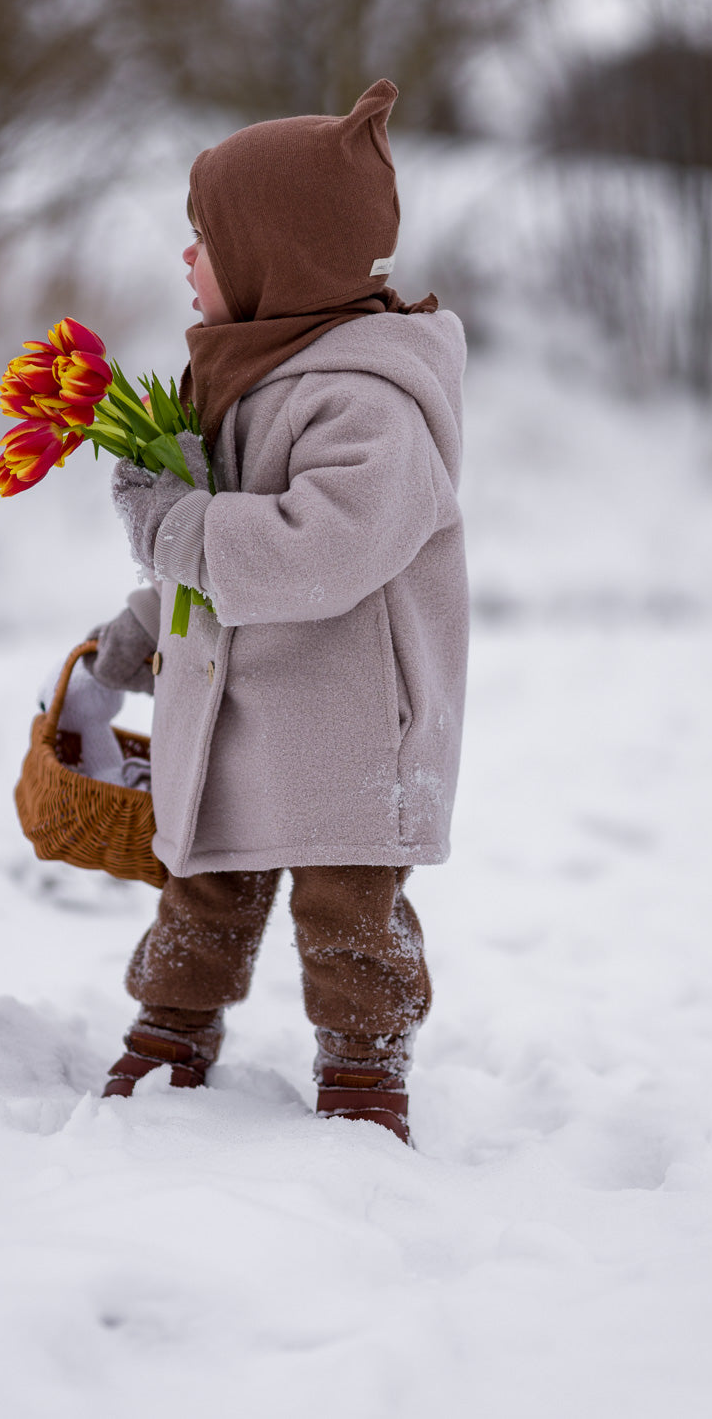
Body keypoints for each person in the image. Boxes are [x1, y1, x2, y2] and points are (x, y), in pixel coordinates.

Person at [88, 80, 468, 1145]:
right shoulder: (246, 382)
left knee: (351, 912)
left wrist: (170, 523)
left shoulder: (367, 400)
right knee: (204, 884)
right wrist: (130, 639)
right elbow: (211, 567)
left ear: (276, 252)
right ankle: (172, 1029)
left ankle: (364, 1065)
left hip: (350, 725)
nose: (186, 258)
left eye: (203, 237)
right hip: (242, 707)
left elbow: (315, 553)